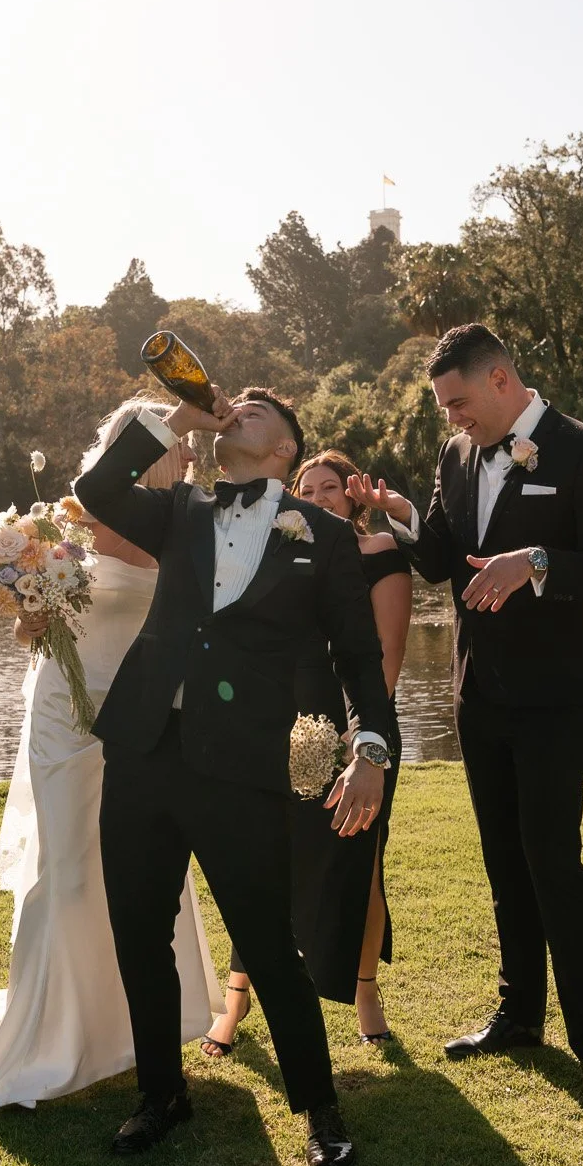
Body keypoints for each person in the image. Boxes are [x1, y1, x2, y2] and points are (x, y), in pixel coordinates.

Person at [73, 387, 393, 1166]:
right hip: (144, 749)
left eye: (257, 410)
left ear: (285, 448)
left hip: (245, 766)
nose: (236, 409)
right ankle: (160, 1093)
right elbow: (95, 491)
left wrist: (372, 750)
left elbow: (357, 657)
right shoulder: (178, 509)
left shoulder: (323, 535)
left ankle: (320, 1110)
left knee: (264, 941)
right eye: (233, 406)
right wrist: (173, 423)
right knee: (140, 932)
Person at [0, 401, 221, 1114]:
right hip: (66, 715)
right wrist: (31, 616)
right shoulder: (68, 523)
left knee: (142, 871)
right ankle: (57, 1027)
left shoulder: (186, 521)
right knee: (71, 868)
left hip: (144, 717)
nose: (192, 458)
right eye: (182, 446)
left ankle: (139, 1027)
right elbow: (30, 637)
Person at [350, 323, 583, 1133]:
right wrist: (399, 515)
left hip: (554, 694)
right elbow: (440, 559)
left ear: (501, 377)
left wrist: (534, 563)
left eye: (458, 403)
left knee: (554, 862)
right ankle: (519, 1015)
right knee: (503, 859)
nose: (452, 420)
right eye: (444, 408)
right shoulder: (455, 457)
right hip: (478, 693)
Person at [203, 449, 410, 1054]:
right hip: (281, 723)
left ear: (350, 498)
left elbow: (384, 662)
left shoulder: (377, 556)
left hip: (354, 731)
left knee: (361, 866)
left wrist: (361, 744)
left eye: (330, 488)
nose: (319, 498)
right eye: (308, 489)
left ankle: (365, 992)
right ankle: (237, 1000)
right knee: (263, 863)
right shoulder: (282, 554)